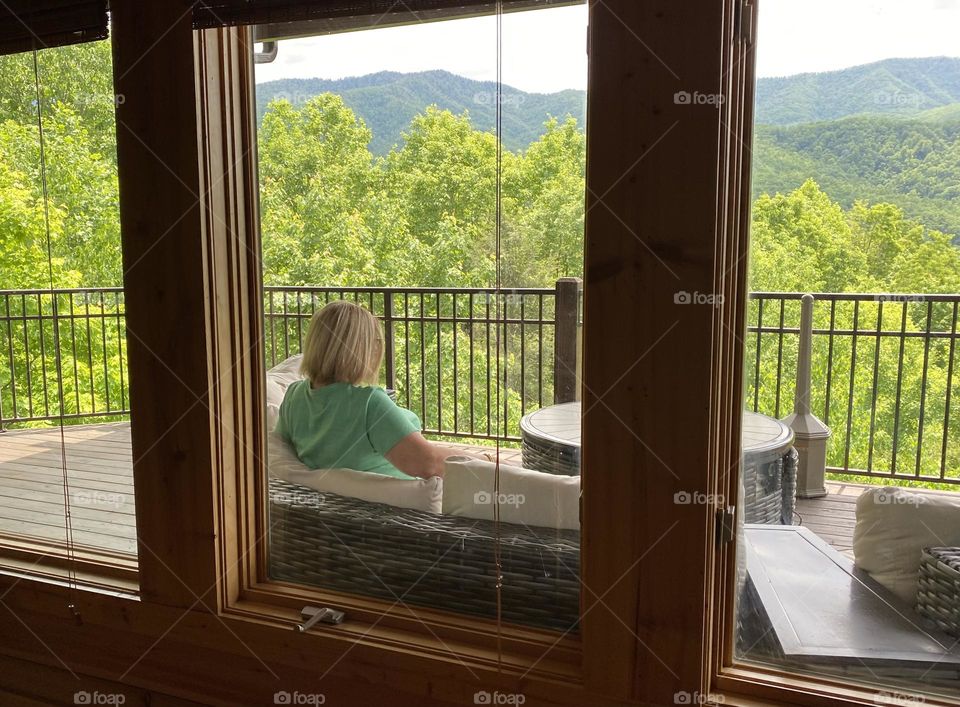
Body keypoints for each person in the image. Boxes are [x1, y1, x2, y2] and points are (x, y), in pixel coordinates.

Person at [274, 300, 453, 479]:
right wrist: (480, 458)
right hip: (393, 504)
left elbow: (282, 449)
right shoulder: (369, 404)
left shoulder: (293, 395)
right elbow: (427, 463)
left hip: (334, 502)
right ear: (362, 349)